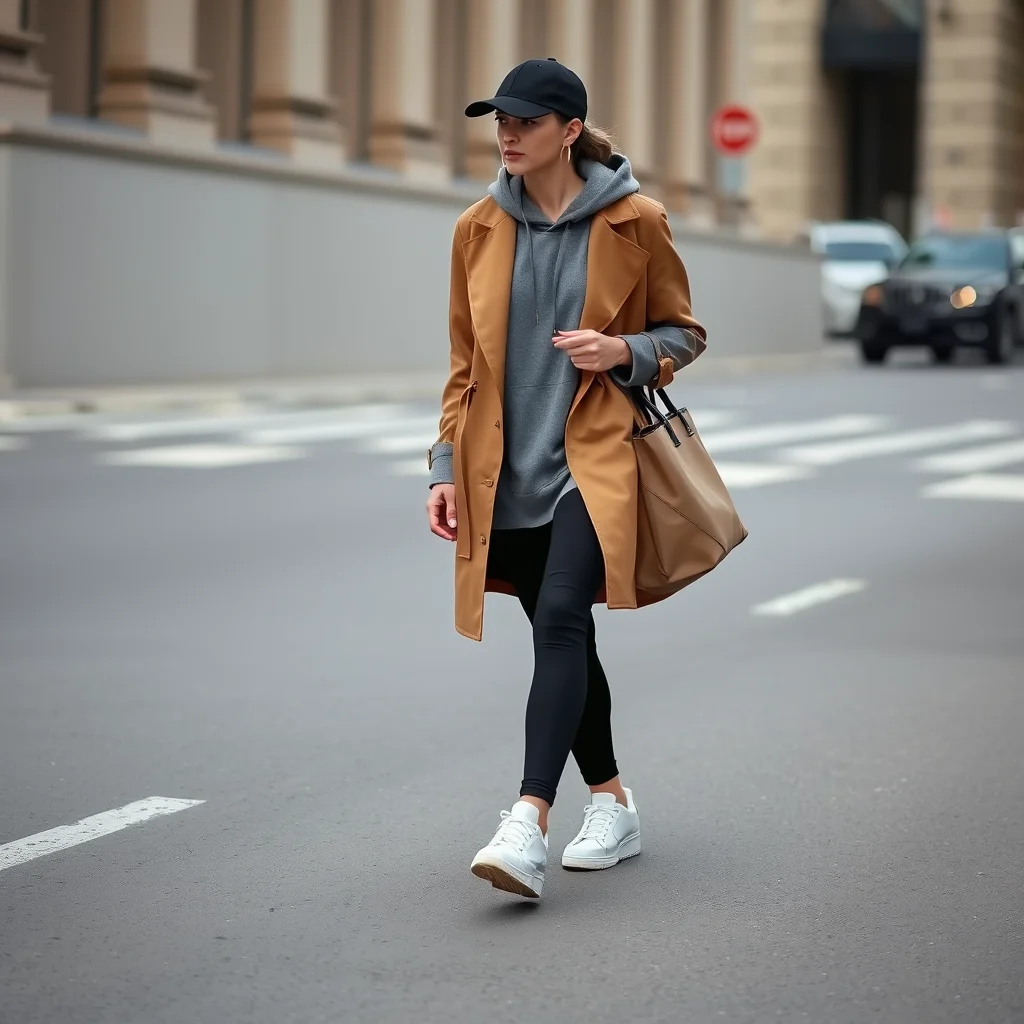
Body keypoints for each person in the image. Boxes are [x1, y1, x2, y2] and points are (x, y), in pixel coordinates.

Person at [425, 58, 706, 900]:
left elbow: (684, 334)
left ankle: (525, 823)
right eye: (498, 121)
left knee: (558, 615)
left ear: (569, 130)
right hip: (502, 469)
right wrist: (442, 468)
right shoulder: (476, 228)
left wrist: (625, 352)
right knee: (565, 637)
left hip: (595, 460)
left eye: (524, 121)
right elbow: (462, 366)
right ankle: (613, 802)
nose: (506, 134)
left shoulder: (634, 220)